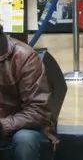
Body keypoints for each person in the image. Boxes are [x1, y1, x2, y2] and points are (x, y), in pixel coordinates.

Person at [0, 24, 57, 160]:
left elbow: (38, 111)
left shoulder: (24, 56)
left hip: (24, 126)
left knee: (25, 140)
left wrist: (3, 125)